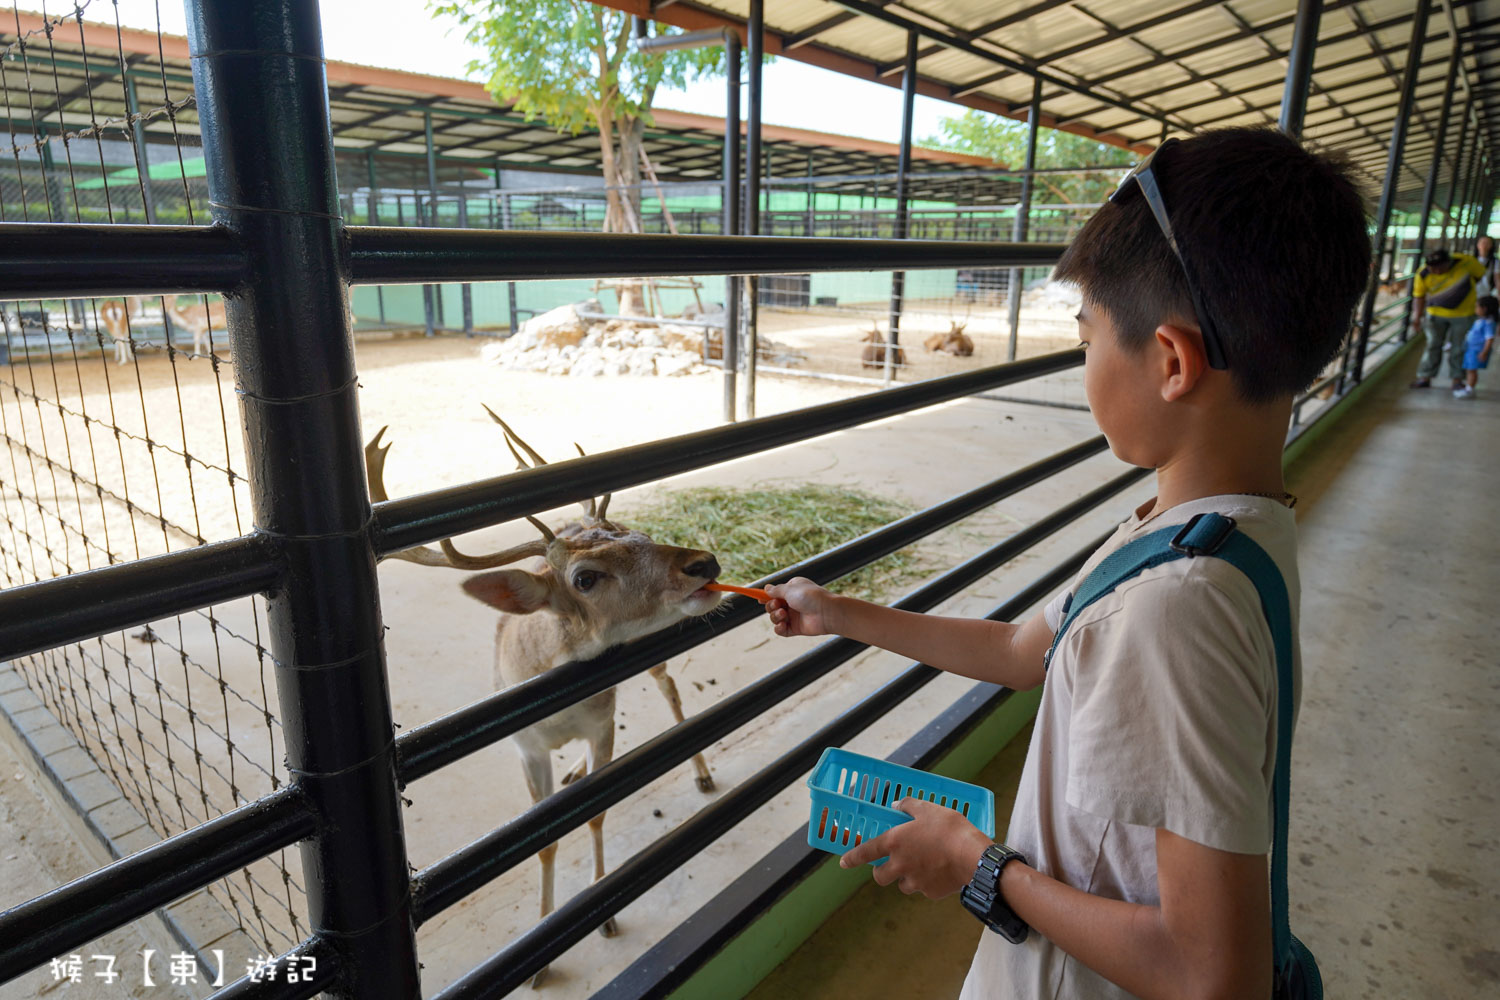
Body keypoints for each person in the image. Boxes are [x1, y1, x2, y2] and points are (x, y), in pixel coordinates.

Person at [763, 127, 1370, 1000]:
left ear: (1170, 361)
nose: (1083, 362)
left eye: (1086, 339)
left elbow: (1213, 975)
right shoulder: (1209, 527)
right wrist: (838, 613)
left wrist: (979, 865)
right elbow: (1023, 650)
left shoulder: (1174, 607)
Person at [1409, 247, 1488, 389]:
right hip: (1435, 314)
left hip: (1464, 315)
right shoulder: (1423, 273)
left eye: (1440, 268)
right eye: (1434, 269)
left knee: (1459, 348)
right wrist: (1417, 317)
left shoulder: (1466, 262)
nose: (1437, 272)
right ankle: (1425, 377)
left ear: (1448, 263)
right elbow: (1419, 297)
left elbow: (1480, 276)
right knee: (1432, 345)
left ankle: (1457, 379)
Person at [1455, 294, 1496, 400]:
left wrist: (1484, 352)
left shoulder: (1488, 323)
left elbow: (1489, 338)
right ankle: (1469, 387)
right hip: (1471, 349)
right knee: (1470, 369)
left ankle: (1469, 389)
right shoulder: (1480, 321)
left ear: (1484, 309)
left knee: (1472, 370)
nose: (1475, 309)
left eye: (1477, 307)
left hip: (1477, 350)